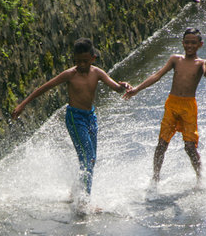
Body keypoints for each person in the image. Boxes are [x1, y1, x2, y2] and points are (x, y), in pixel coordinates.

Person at [11, 38, 131, 204]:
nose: (81, 65)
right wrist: (22, 105)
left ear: (93, 58)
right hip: (75, 118)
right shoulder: (70, 74)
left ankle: (76, 193)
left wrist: (123, 86)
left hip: (91, 117)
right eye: (78, 61)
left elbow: (115, 87)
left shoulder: (98, 73)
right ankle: (84, 202)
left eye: (85, 61)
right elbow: (44, 88)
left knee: (91, 159)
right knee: (87, 158)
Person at [123, 27, 206, 189]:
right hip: (172, 104)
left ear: (200, 44)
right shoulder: (175, 60)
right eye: (187, 42)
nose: (190, 46)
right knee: (162, 144)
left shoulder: (201, 63)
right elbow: (157, 75)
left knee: (190, 147)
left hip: (189, 107)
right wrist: (137, 89)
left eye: (194, 43)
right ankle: (155, 178)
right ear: (182, 43)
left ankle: (200, 178)